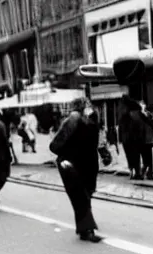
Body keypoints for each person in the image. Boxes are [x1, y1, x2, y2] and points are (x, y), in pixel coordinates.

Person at [50, 99, 109, 243]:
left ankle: (84, 229)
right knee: (82, 196)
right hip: (81, 164)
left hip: (79, 163)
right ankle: (87, 229)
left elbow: (55, 145)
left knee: (82, 196)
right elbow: (55, 145)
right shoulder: (80, 120)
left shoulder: (79, 120)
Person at [118, 95, 144, 180]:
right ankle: (137, 172)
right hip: (133, 138)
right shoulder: (134, 113)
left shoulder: (125, 116)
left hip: (129, 139)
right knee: (135, 156)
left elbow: (121, 129)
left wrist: (121, 139)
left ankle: (134, 172)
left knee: (130, 156)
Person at [138, 100, 153, 180]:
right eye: (141, 105)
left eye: (143, 105)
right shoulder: (138, 116)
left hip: (148, 140)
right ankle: (142, 172)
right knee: (145, 158)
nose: (142, 106)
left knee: (149, 158)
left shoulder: (148, 114)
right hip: (141, 140)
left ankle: (149, 173)